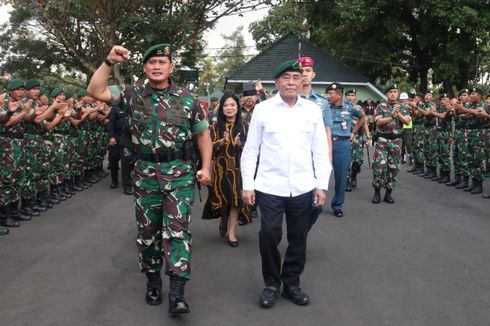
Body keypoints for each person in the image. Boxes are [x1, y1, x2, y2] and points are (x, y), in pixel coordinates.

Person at [87, 43, 212, 315]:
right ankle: (153, 281)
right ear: (145, 67)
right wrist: (109, 61)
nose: (157, 66)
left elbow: (203, 135)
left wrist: (207, 167)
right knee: (148, 233)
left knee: (178, 231)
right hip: (145, 175)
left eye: (162, 62)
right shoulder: (131, 95)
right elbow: (95, 91)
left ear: (171, 67)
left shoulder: (188, 99)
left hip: (179, 174)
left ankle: (177, 292)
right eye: (152, 62)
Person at [241, 59, 331, 308]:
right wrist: (247, 184)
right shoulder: (264, 110)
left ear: (302, 80)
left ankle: (291, 283)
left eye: (296, 77)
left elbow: (320, 150)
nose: (291, 82)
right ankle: (271, 283)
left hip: (303, 185)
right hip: (269, 185)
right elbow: (250, 150)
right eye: (286, 78)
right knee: (269, 234)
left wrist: (321, 184)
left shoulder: (312, 110)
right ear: (277, 82)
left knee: (298, 236)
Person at [201, 92, 250, 247]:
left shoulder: (245, 127)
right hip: (220, 170)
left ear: (238, 106)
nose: (229, 108)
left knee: (235, 201)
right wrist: (221, 142)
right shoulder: (215, 127)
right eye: (226, 105)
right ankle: (223, 219)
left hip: (238, 170)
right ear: (221, 108)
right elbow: (208, 148)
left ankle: (232, 233)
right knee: (223, 202)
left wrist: (239, 145)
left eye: (232, 105)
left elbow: (252, 150)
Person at [298, 55, 333, 229]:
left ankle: (301, 232)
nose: (304, 74)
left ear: (313, 74)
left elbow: (327, 131)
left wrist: (329, 158)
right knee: (297, 204)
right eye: (301, 71)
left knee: (317, 204)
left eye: (308, 71)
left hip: (316, 158)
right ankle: (298, 235)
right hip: (297, 157)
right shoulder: (289, 99)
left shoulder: (322, 103)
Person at [326, 82, 365, 217]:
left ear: (339, 94)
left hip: (342, 144)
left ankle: (337, 205)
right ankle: (315, 201)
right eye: (328, 93)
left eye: (331, 93)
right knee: (316, 173)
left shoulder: (350, 107)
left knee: (341, 177)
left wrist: (353, 131)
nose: (328, 95)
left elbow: (362, 116)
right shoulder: (324, 106)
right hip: (325, 143)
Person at [371, 84, 410, 203]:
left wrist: (398, 114)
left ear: (397, 94)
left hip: (397, 140)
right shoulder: (381, 106)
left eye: (395, 91)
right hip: (383, 140)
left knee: (394, 168)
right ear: (387, 94)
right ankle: (377, 192)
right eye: (390, 92)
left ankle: (389, 193)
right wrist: (392, 117)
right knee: (379, 167)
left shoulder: (403, 107)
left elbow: (407, 122)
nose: (393, 93)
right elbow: (378, 122)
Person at [344, 89, 370, 192]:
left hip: (357, 139)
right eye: (348, 95)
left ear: (355, 97)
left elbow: (364, 123)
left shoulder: (359, 109)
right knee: (346, 161)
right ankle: (346, 181)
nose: (350, 97)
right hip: (345, 138)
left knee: (359, 160)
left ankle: (353, 176)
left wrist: (368, 137)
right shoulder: (342, 107)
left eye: (352, 95)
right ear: (345, 97)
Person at [108, 104, 134, 195]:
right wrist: (111, 137)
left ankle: (127, 186)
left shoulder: (132, 106)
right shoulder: (115, 108)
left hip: (127, 138)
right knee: (113, 159)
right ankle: (114, 181)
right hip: (116, 137)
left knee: (126, 162)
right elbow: (111, 123)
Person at [399, 92, 413, 164]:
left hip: (408, 127)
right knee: (402, 144)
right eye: (402, 99)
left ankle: (411, 158)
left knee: (408, 144)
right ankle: (403, 158)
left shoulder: (409, 106)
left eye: (405, 99)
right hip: (401, 127)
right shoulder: (398, 106)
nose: (404, 101)